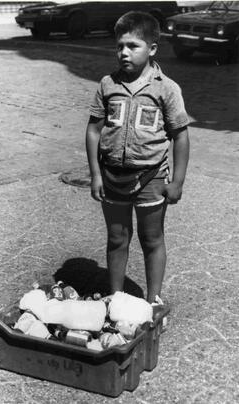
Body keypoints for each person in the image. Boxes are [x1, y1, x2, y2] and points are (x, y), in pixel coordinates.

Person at [86, 11, 189, 304]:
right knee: (117, 239)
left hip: (151, 177)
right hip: (112, 176)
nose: (124, 53)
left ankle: (154, 299)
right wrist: (95, 173)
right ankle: (116, 298)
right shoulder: (108, 84)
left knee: (152, 239)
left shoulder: (166, 89)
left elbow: (180, 135)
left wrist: (177, 181)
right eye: (119, 46)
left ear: (152, 48)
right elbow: (93, 130)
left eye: (133, 46)